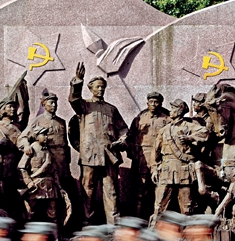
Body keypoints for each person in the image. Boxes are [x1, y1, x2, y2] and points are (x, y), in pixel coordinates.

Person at [68, 62, 128, 224]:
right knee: (88, 190)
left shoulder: (112, 109)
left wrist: (122, 140)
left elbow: (123, 128)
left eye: (102, 87)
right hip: (90, 155)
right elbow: (73, 99)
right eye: (97, 87)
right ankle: (86, 221)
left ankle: (113, 224)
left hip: (109, 155)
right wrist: (78, 80)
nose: (100, 89)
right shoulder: (84, 106)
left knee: (111, 190)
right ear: (91, 89)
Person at [151, 99, 209, 218]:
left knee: (187, 206)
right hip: (166, 170)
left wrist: (190, 138)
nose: (170, 111)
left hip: (184, 170)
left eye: (173, 108)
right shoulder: (164, 130)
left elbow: (206, 133)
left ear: (179, 111)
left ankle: (186, 229)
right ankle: (155, 228)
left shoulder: (189, 126)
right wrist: (154, 169)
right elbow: (155, 151)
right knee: (159, 205)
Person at [126, 92, 169, 219]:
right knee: (140, 188)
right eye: (151, 102)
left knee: (159, 188)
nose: (153, 104)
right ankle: (138, 217)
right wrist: (134, 154)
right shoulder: (139, 119)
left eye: (156, 102)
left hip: (160, 157)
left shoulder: (167, 119)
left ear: (160, 104)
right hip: (143, 158)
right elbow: (130, 137)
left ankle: (158, 218)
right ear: (147, 103)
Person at [0, 99, 25, 222]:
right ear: (3, 109)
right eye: (9, 107)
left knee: (15, 198)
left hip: (16, 165)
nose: (13, 109)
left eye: (14, 107)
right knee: (2, 196)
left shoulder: (18, 126)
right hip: (2, 166)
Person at [19, 126, 61, 227]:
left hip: (49, 187)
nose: (46, 137)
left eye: (46, 135)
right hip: (35, 186)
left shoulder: (47, 151)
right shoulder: (31, 149)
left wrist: (59, 187)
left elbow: (54, 170)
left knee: (53, 213)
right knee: (31, 213)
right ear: (36, 136)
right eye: (43, 134)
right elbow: (21, 168)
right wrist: (29, 182)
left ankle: (54, 235)